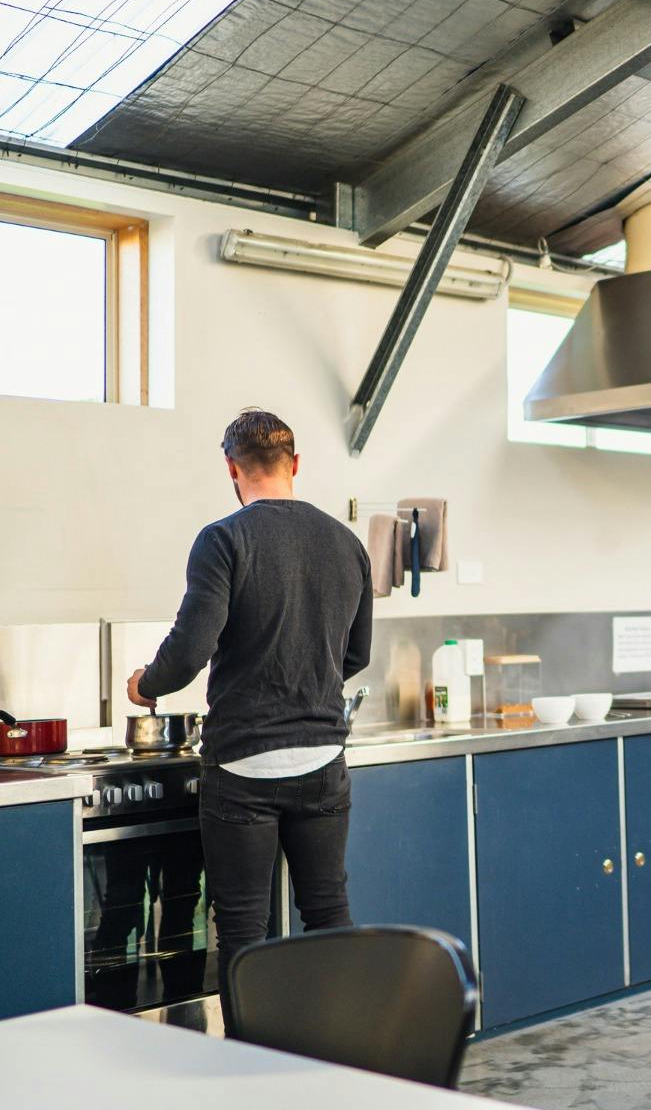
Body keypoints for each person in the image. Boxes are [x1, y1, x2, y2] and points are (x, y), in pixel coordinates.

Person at [127, 409, 373, 1035]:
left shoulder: (223, 539)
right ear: (296, 465)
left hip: (241, 767)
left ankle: (248, 1063)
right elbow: (357, 655)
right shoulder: (347, 543)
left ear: (233, 470)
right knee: (327, 910)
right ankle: (341, 1049)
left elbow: (187, 653)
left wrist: (143, 685)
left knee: (242, 924)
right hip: (323, 761)